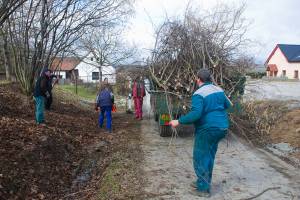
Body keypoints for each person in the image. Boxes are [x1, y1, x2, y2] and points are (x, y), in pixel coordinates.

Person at [169, 69, 232, 197]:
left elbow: (196, 114)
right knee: (209, 156)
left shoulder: (199, 93)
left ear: (198, 79)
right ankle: (203, 182)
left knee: (200, 157)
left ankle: (203, 189)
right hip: (222, 128)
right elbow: (227, 105)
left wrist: (178, 121)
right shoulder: (218, 90)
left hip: (208, 129)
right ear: (210, 79)